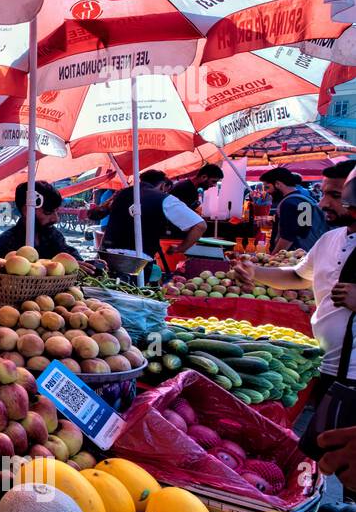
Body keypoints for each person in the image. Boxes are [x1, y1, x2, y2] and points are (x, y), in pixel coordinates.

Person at [232, 160, 356, 493]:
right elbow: (297, 277)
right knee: (331, 450)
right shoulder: (330, 240)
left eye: (335, 195)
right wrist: (255, 273)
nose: (323, 203)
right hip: (325, 363)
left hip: (355, 372)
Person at [93, 173, 207, 260]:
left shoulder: (121, 193)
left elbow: (95, 215)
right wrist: (181, 248)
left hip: (107, 253)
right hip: (139, 258)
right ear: (163, 185)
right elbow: (200, 226)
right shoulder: (165, 199)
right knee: (133, 290)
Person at [0, 181, 96, 272]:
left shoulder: (54, 235)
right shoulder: (6, 242)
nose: (56, 219)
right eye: (48, 212)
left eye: (56, 212)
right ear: (27, 210)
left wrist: (86, 265)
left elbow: (68, 253)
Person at [260, 166, 325, 252]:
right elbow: (301, 227)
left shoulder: (288, 203)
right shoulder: (304, 198)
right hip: (307, 250)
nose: (267, 191)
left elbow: (287, 238)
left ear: (278, 184)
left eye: (267, 187)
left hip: (290, 255)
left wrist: (273, 257)